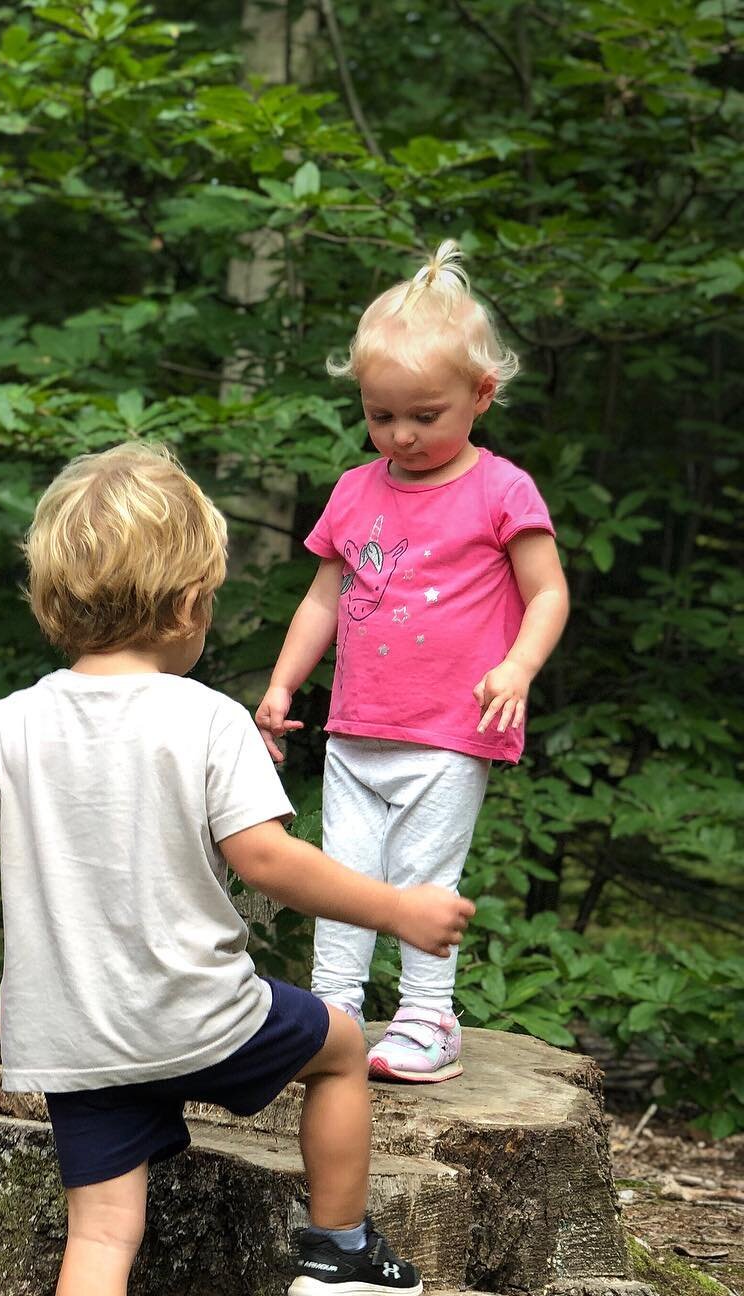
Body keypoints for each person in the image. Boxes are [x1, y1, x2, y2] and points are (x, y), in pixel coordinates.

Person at [0, 442, 473, 1296]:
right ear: (185, 606)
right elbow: (266, 859)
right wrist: (400, 907)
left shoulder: (12, 721)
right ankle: (341, 1247)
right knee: (345, 1049)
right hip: (208, 1017)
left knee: (100, 1233)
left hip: (75, 1037)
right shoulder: (207, 717)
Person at [257, 241, 569, 1083]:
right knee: (344, 875)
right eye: (381, 414)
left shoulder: (502, 490)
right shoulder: (358, 489)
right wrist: (285, 683)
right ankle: (335, 1013)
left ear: (481, 395)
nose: (401, 434)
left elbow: (548, 594)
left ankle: (430, 1015)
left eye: (425, 415)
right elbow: (323, 597)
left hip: (450, 728)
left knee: (425, 874)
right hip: (360, 726)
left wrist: (518, 668)